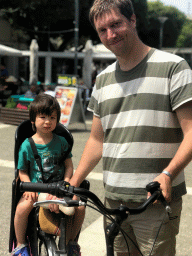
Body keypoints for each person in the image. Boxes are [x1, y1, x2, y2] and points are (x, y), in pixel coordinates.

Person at [69, 0, 192, 255]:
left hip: (156, 203)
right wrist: (75, 181)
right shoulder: (102, 79)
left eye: (116, 24)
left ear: (133, 20)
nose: (110, 35)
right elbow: (96, 140)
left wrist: (168, 174)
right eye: (103, 30)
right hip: (113, 202)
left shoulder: (174, 67)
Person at [12, 94, 84, 256]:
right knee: (22, 208)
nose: (47, 121)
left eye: (52, 117)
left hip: (60, 188)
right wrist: (28, 185)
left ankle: (72, 242)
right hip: (36, 188)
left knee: (79, 207)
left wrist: (67, 182)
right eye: (42, 117)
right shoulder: (27, 145)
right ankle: (21, 244)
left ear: (58, 120)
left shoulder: (62, 142)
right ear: (33, 120)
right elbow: (22, 171)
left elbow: (69, 166)